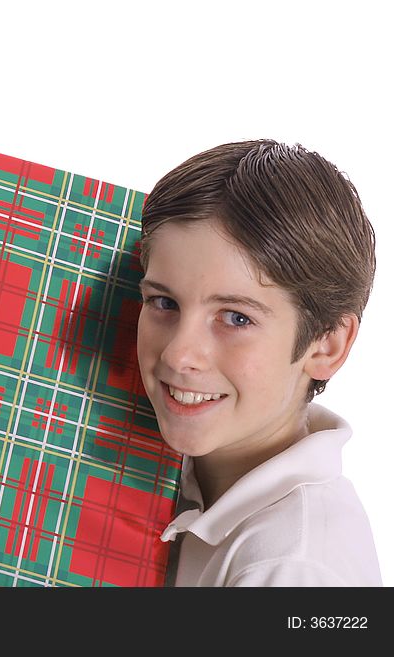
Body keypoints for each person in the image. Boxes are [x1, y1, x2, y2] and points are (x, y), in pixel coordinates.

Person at [136, 139, 382, 586]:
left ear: (326, 345)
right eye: (164, 302)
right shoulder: (179, 478)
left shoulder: (291, 568)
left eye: (235, 318)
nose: (178, 354)